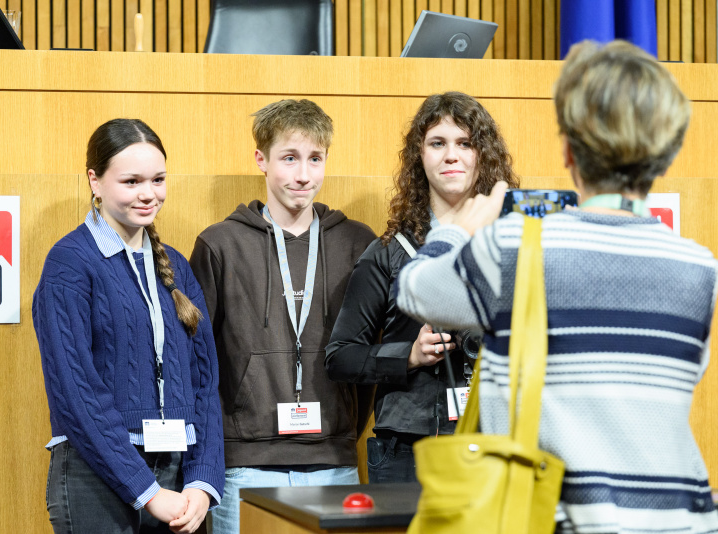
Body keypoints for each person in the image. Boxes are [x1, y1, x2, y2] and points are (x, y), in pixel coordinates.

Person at [396, 41, 718, 532]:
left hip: (558, 517)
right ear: (667, 153)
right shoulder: (700, 268)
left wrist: (459, 228)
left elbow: (416, 288)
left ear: (568, 149)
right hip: (679, 520)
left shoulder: (515, 246)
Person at [189, 99, 377, 534]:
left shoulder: (356, 242)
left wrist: (343, 426)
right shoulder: (220, 244)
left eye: (315, 159)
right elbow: (200, 360)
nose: (303, 174)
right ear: (261, 159)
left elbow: (367, 359)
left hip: (334, 462)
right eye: (289, 158)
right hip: (245, 465)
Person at [33, 118, 224, 534]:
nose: (148, 193)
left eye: (158, 179)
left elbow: (205, 383)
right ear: (95, 181)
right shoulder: (69, 264)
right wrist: (147, 491)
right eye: (131, 181)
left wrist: (203, 479)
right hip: (96, 474)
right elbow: (76, 392)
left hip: (180, 478)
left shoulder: (175, 266)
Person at [325, 91, 519, 483]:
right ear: (420, 154)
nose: (452, 155)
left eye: (465, 143)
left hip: (499, 442)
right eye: (438, 143)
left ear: (483, 154)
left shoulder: (514, 244)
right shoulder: (387, 253)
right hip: (408, 451)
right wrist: (408, 356)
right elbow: (340, 357)